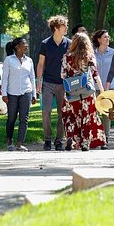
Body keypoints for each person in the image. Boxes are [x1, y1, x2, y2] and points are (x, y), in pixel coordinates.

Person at [61, 32, 106, 151]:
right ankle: (85, 142)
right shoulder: (89, 56)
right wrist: (102, 91)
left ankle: (70, 137)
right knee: (87, 117)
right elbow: (95, 75)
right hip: (87, 92)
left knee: (70, 116)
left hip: (71, 92)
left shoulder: (67, 57)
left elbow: (63, 75)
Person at [37, 15, 71, 151]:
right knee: (46, 111)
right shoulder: (45, 44)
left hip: (64, 83)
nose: (66, 27)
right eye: (64, 25)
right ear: (56, 28)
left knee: (62, 113)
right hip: (48, 82)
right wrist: (38, 81)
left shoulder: (69, 43)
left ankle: (59, 140)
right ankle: (47, 139)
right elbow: (40, 64)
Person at [1, 38, 37, 151]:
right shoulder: (9, 60)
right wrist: (4, 94)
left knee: (24, 119)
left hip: (26, 92)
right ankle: (9, 140)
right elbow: (5, 78)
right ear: (17, 46)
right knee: (11, 118)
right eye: (24, 43)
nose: (26, 45)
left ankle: (20, 143)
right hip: (12, 93)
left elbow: (32, 78)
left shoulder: (29, 61)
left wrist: (34, 94)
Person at [92, 29, 114, 147]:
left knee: (106, 113)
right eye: (105, 37)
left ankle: (105, 138)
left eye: (108, 37)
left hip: (109, 87)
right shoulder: (92, 53)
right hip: (94, 87)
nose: (108, 39)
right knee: (94, 113)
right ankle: (96, 136)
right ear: (99, 39)